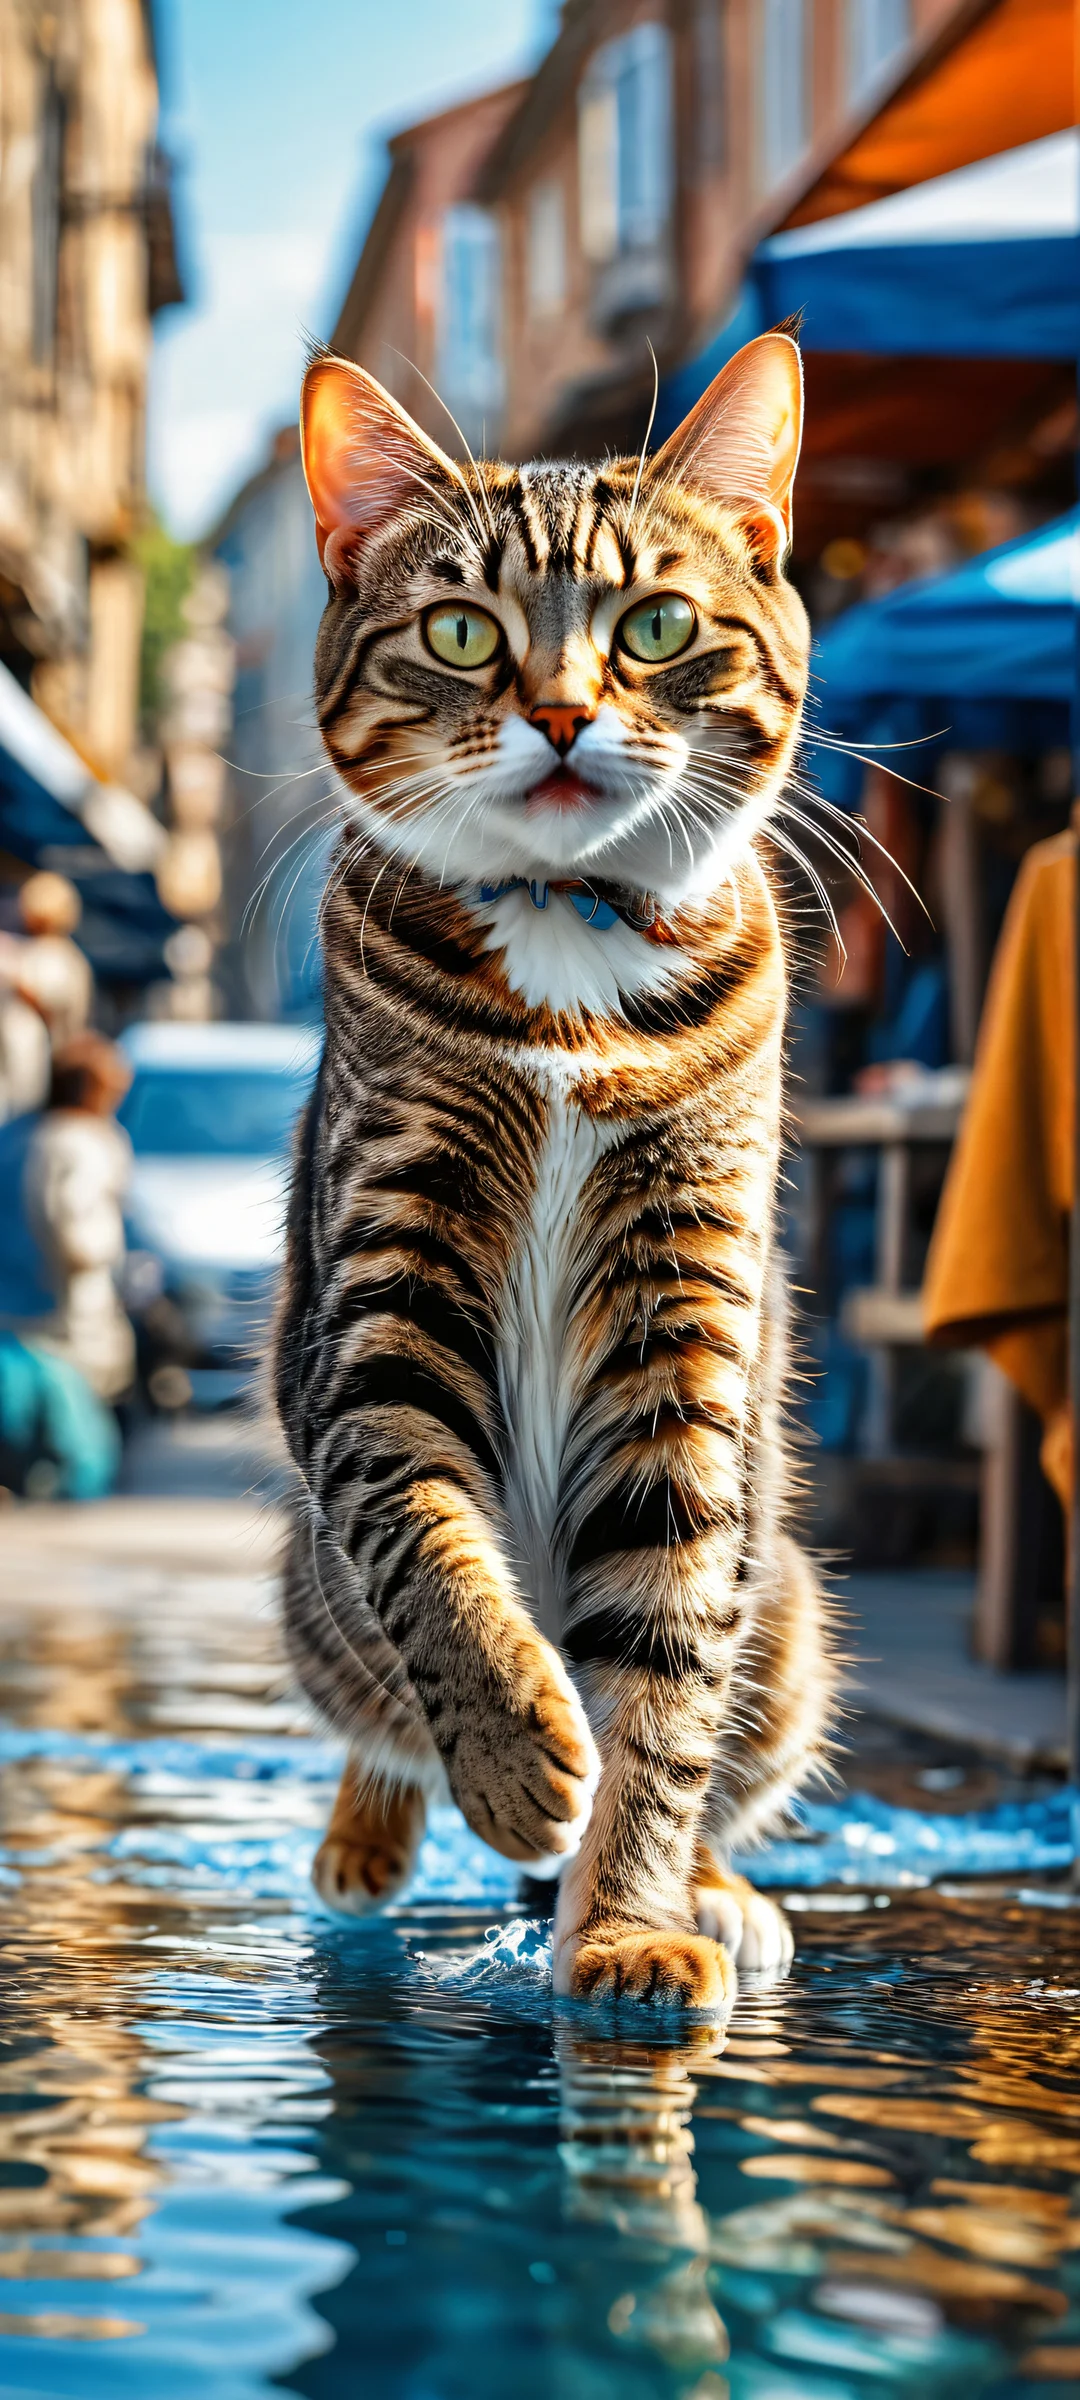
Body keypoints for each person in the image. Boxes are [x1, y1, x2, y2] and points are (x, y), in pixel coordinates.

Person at [23, 1031, 135, 1402]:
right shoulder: (78, 1141)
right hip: (73, 1308)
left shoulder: (36, 1134)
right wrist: (100, 1249)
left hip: (37, 1302)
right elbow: (73, 1226)